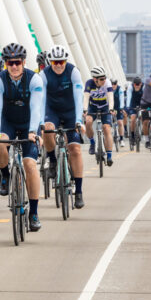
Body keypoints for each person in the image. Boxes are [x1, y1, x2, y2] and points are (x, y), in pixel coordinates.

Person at [0, 42, 44, 231]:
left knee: (30, 165)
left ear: (23, 62)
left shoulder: (34, 79)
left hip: (28, 123)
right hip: (9, 123)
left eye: (17, 63)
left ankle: (34, 212)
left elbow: (36, 108)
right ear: (5, 63)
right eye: (10, 63)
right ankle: (5, 175)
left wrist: (32, 132)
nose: (14, 66)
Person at [39, 44, 85, 207]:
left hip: (71, 112)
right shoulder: (44, 74)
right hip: (52, 111)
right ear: (50, 62)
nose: (58, 65)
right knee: (48, 128)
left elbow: (79, 97)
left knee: (75, 149)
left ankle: (78, 192)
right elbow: (41, 99)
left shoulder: (73, 72)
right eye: (55, 62)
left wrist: (79, 120)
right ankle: (52, 160)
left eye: (61, 62)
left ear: (66, 61)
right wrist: (40, 122)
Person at [83, 65, 114, 165]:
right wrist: (84, 109)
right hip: (93, 107)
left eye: (105, 78)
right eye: (101, 79)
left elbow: (110, 97)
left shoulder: (107, 83)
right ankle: (92, 143)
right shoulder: (89, 83)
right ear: (95, 79)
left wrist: (111, 108)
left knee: (106, 128)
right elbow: (86, 97)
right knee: (88, 122)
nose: (104, 80)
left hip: (105, 107)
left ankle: (109, 156)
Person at [126, 76, 144, 146]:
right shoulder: (130, 87)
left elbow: (146, 96)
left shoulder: (144, 87)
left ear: (141, 84)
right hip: (133, 104)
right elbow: (129, 97)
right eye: (135, 84)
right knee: (133, 119)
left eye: (138, 84)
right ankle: (133, 135)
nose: (136, 86)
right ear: (133, 84)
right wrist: (127, 106)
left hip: (142, 103)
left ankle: (142, 129)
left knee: (143, 116)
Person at [111, 79, 125, 144]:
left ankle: (121, 139)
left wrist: (121, 108)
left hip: (118, 107)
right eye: (112, 84)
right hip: (111, 108)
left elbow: (121, 99)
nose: (113, 85)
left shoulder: (120, 89)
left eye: (114, 84)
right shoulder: (108, 89)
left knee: (120, 122)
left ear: (117, 84)